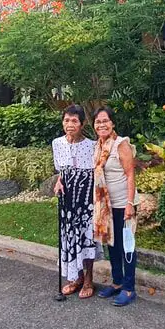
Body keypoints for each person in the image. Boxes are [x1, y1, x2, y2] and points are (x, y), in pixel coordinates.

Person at [91, 107, 138, 307]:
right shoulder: (98, 146)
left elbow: (130, 175)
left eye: (105, 121)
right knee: (112, 245)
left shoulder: (121, 144)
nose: (101, 125)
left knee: (126, 246)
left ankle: (129, 289)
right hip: (105, 206)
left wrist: (129, 204)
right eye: (98, 122)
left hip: (122, 204)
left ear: (112, 123)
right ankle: (117, 283)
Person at [52, 105, 97, 298]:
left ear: (82, 123)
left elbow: (96, 174)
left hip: (86, 200)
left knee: (85, 238)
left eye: (74, 121)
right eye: (66, 120)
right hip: (67, 201)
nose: (70, 125)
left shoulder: (93, 145)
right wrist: (58, 183)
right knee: (70, 239)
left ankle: (88, 280)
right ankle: (75, 278)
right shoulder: (57, 143)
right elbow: (61, 171)